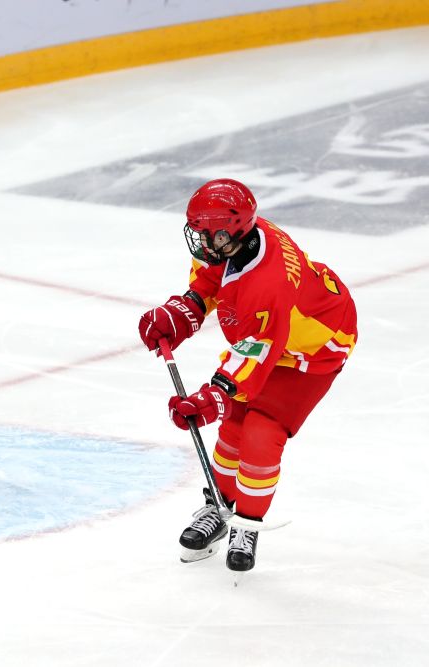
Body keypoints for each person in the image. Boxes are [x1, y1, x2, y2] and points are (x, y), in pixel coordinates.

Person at [138, 179, 358, 572]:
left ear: (228, 234)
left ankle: (247, 524)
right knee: (234, 427)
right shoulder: (235, 243)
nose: (199, 240)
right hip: (276, 334)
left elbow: (256, 352)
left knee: (261, 432)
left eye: (206, 234)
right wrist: (184, 312)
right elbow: (212, 280)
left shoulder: (268, 284)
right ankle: (219, 508)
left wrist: (215, 396)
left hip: (315, 349)